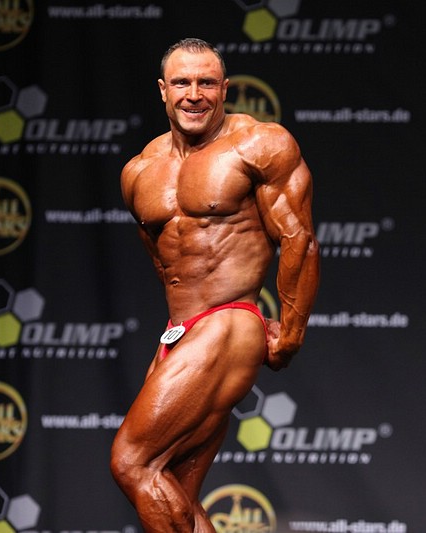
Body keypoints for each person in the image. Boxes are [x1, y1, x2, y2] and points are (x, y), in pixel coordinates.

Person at [109, 38, 319, 532]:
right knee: (174, 490)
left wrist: (291, 333)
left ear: (225, 89)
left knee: (132, 461)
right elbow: (163, 260)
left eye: (206, 82)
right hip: (180, 331)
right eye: (182, 82)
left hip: (229, 321)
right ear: (163, 90)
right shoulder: (139, 170)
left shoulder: (258, 145)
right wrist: (178, 334)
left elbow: (299, 240)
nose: (194, 94)